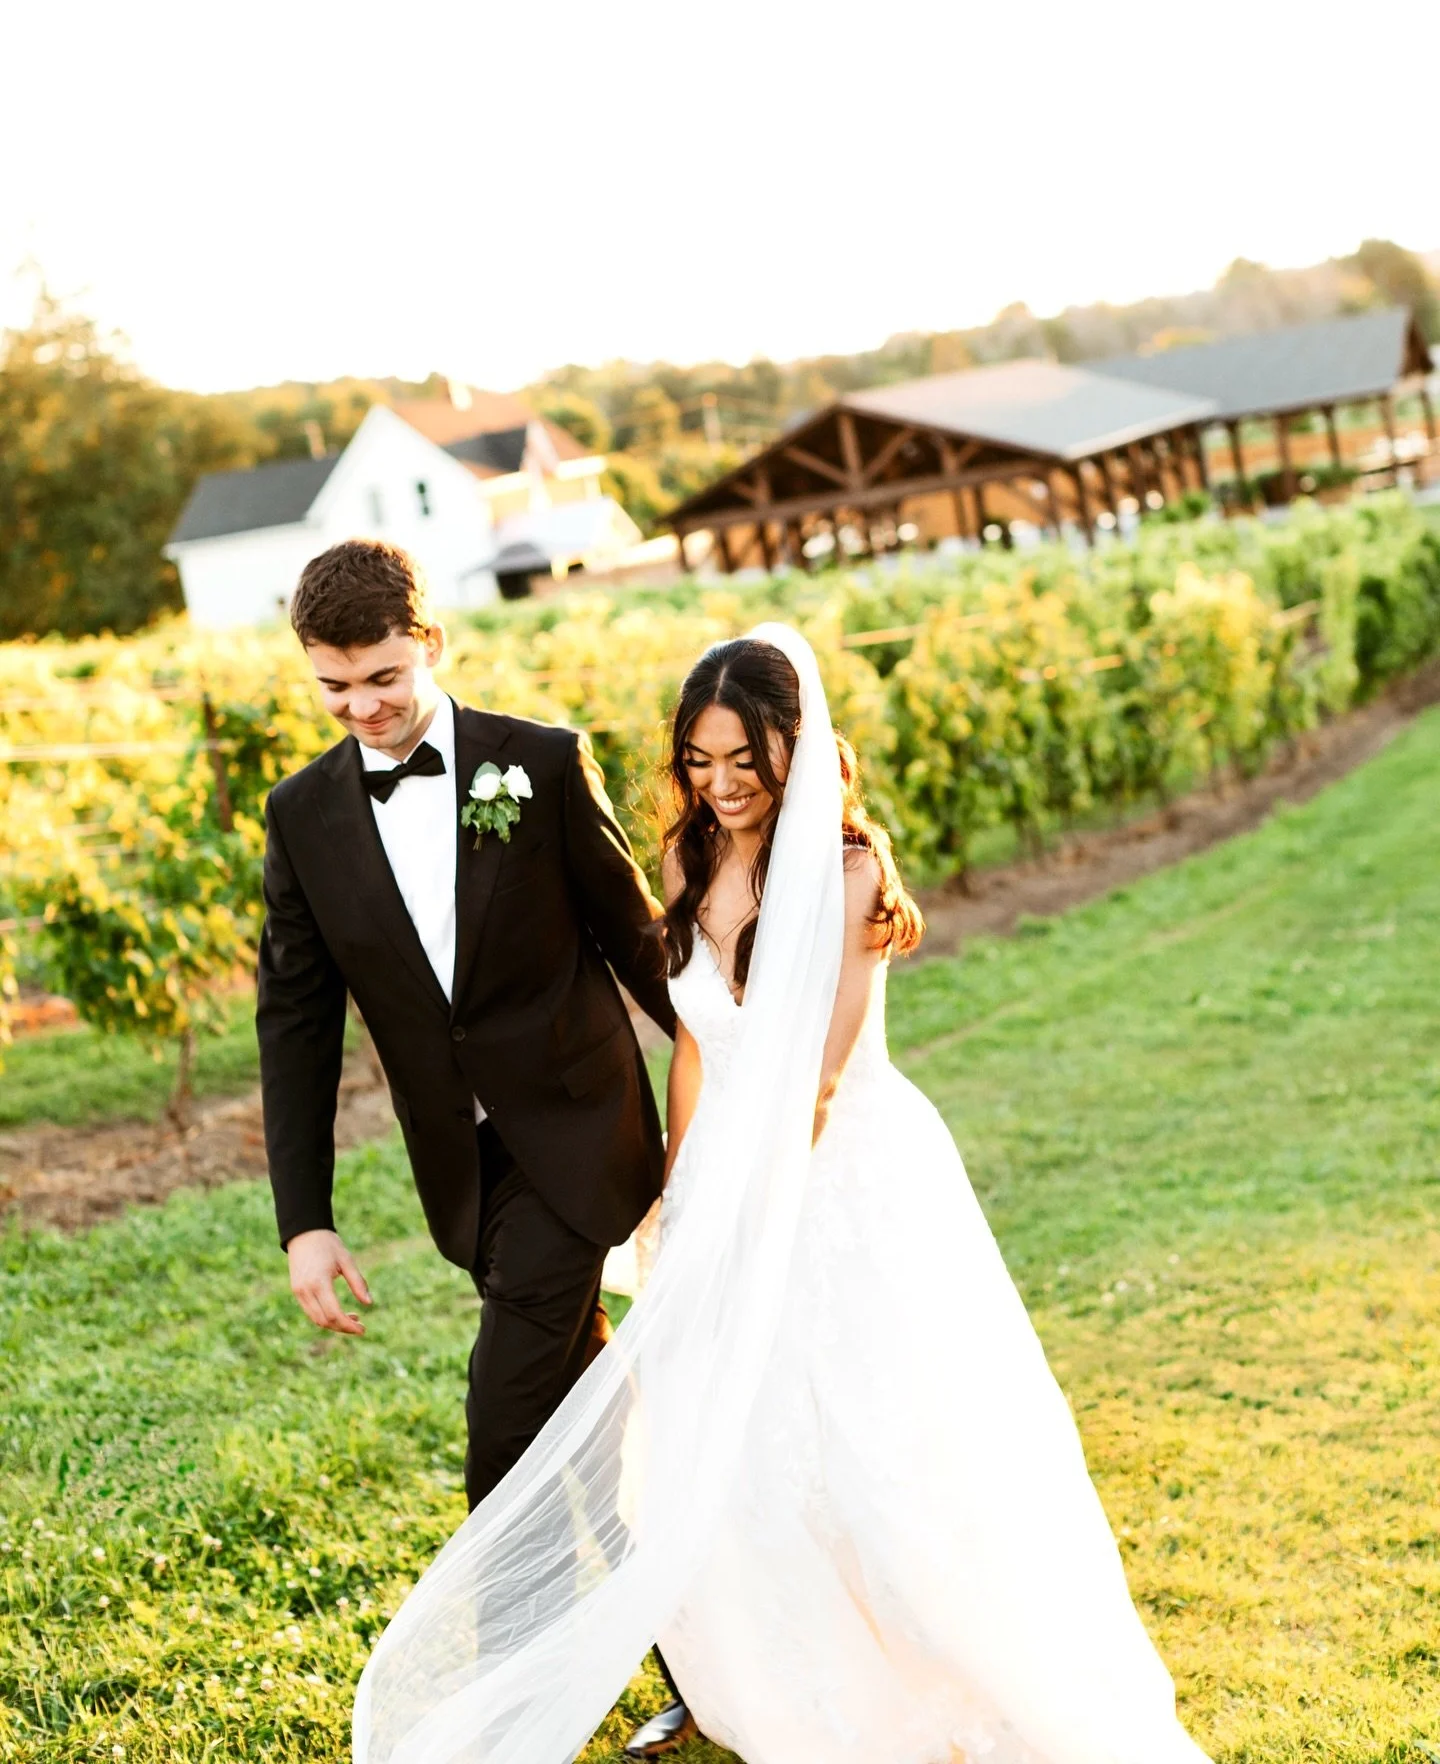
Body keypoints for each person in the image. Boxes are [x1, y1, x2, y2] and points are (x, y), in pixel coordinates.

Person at [352, 620, 1213, 1764]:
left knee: (872, 1428)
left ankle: (941, 1663)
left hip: (839, 1178)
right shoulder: (688, 860)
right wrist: (678, 1188)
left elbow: (820, 1070)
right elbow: (698, 1045)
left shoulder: (851, 868)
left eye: (742, 766)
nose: (720, 788)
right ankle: (783, 1664)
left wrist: (758, 1210)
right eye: (699, 764)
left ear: (791, 751)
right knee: (733, 1432)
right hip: (721, 1173)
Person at [257, 539, 692, 1754]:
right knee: (596, 1438)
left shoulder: (538, 763)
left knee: (504, 1438)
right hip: (468, 1176)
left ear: (432, 642)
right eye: (335, 688)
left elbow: (634, 940)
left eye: (383, 677)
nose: (363, 708)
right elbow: (294, 1023)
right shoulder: (302, 817)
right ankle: (707, 1655)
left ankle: (515, 1710)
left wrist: (747, 1077)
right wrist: (307, 1217)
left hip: (585, 1139)